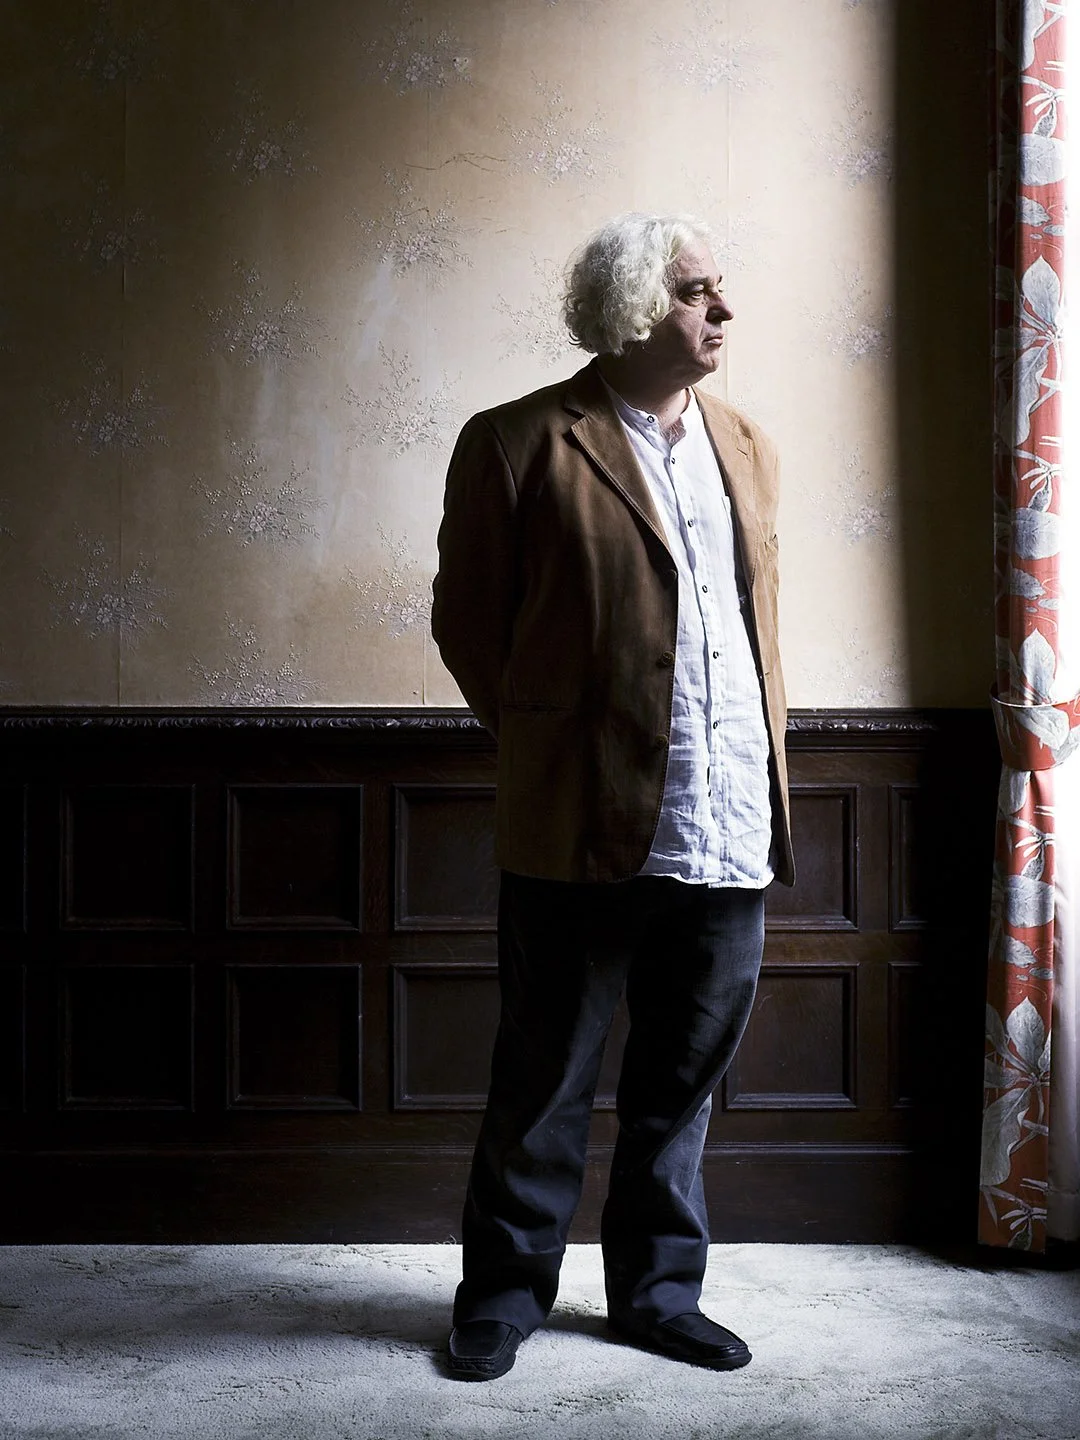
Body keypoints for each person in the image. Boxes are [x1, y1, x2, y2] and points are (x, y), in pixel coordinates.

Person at [430, 212, 794, 1382]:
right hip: (582, 819)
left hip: (727, 812)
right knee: (542, 1078)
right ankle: (500, 1295)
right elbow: (470, 626)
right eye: (697, 292)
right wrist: (555, 743)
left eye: (719, 289)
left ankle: (656, 1294)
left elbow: (752, 625)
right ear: (636, 310)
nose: (722, 312)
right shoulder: (518, 441)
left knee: (680, 1083)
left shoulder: (745, 441)